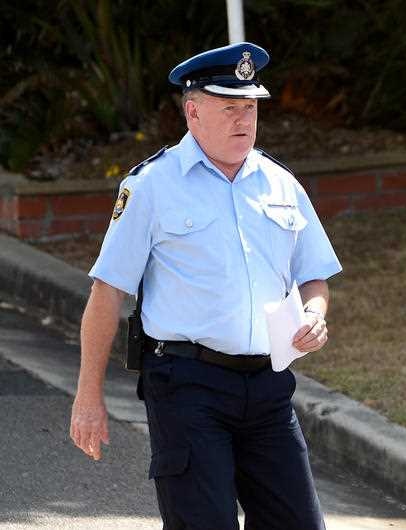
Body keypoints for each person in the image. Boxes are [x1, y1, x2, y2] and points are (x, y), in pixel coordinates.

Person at [69, 41, 342, 530]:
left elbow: (315, 274)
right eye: (229, 107)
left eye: (251, 107)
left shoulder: (281, 183)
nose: (244, 120)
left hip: (268, 385)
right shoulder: (152, 185)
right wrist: (89, 396)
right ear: (193, 113)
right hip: (186, 385)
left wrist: (314, 315)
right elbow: (106, 291)